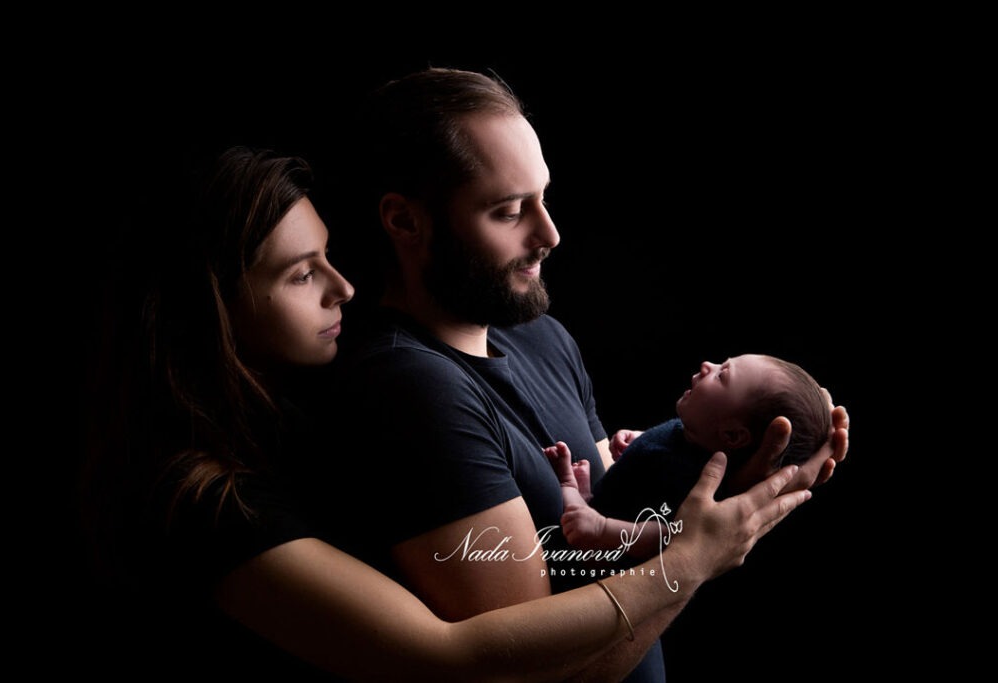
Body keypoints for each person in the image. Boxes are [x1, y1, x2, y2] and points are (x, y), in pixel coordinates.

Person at [82, 145, 826, 681]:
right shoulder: (208, 502)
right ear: (211, 312)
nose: (343, 288)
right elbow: (455, 657)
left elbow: (613, 503)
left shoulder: (285, 422)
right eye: (302, 273)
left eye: (331, 257)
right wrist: (691, 559)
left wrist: (722, 490)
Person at [320, 67, 849, 682]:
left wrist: (725, 498)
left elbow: (620, 521)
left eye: (543, 198)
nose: (549, 234)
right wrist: (695, 556)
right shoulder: (406, 387)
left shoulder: (540, 335)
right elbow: (546, 674)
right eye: (508, 211)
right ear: (405, 221)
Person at [544, 354, 832, 559]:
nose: (708, 365)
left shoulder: (702, 481)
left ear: (732, 435)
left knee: (577, 517)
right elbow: (667, 441)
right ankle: (587, 500)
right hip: (610, 503)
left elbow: (670, 536)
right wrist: (637, 440)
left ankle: (575, 495)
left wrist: (602, 529)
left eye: (722, 375)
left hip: (604, 553)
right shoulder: (691, 434)